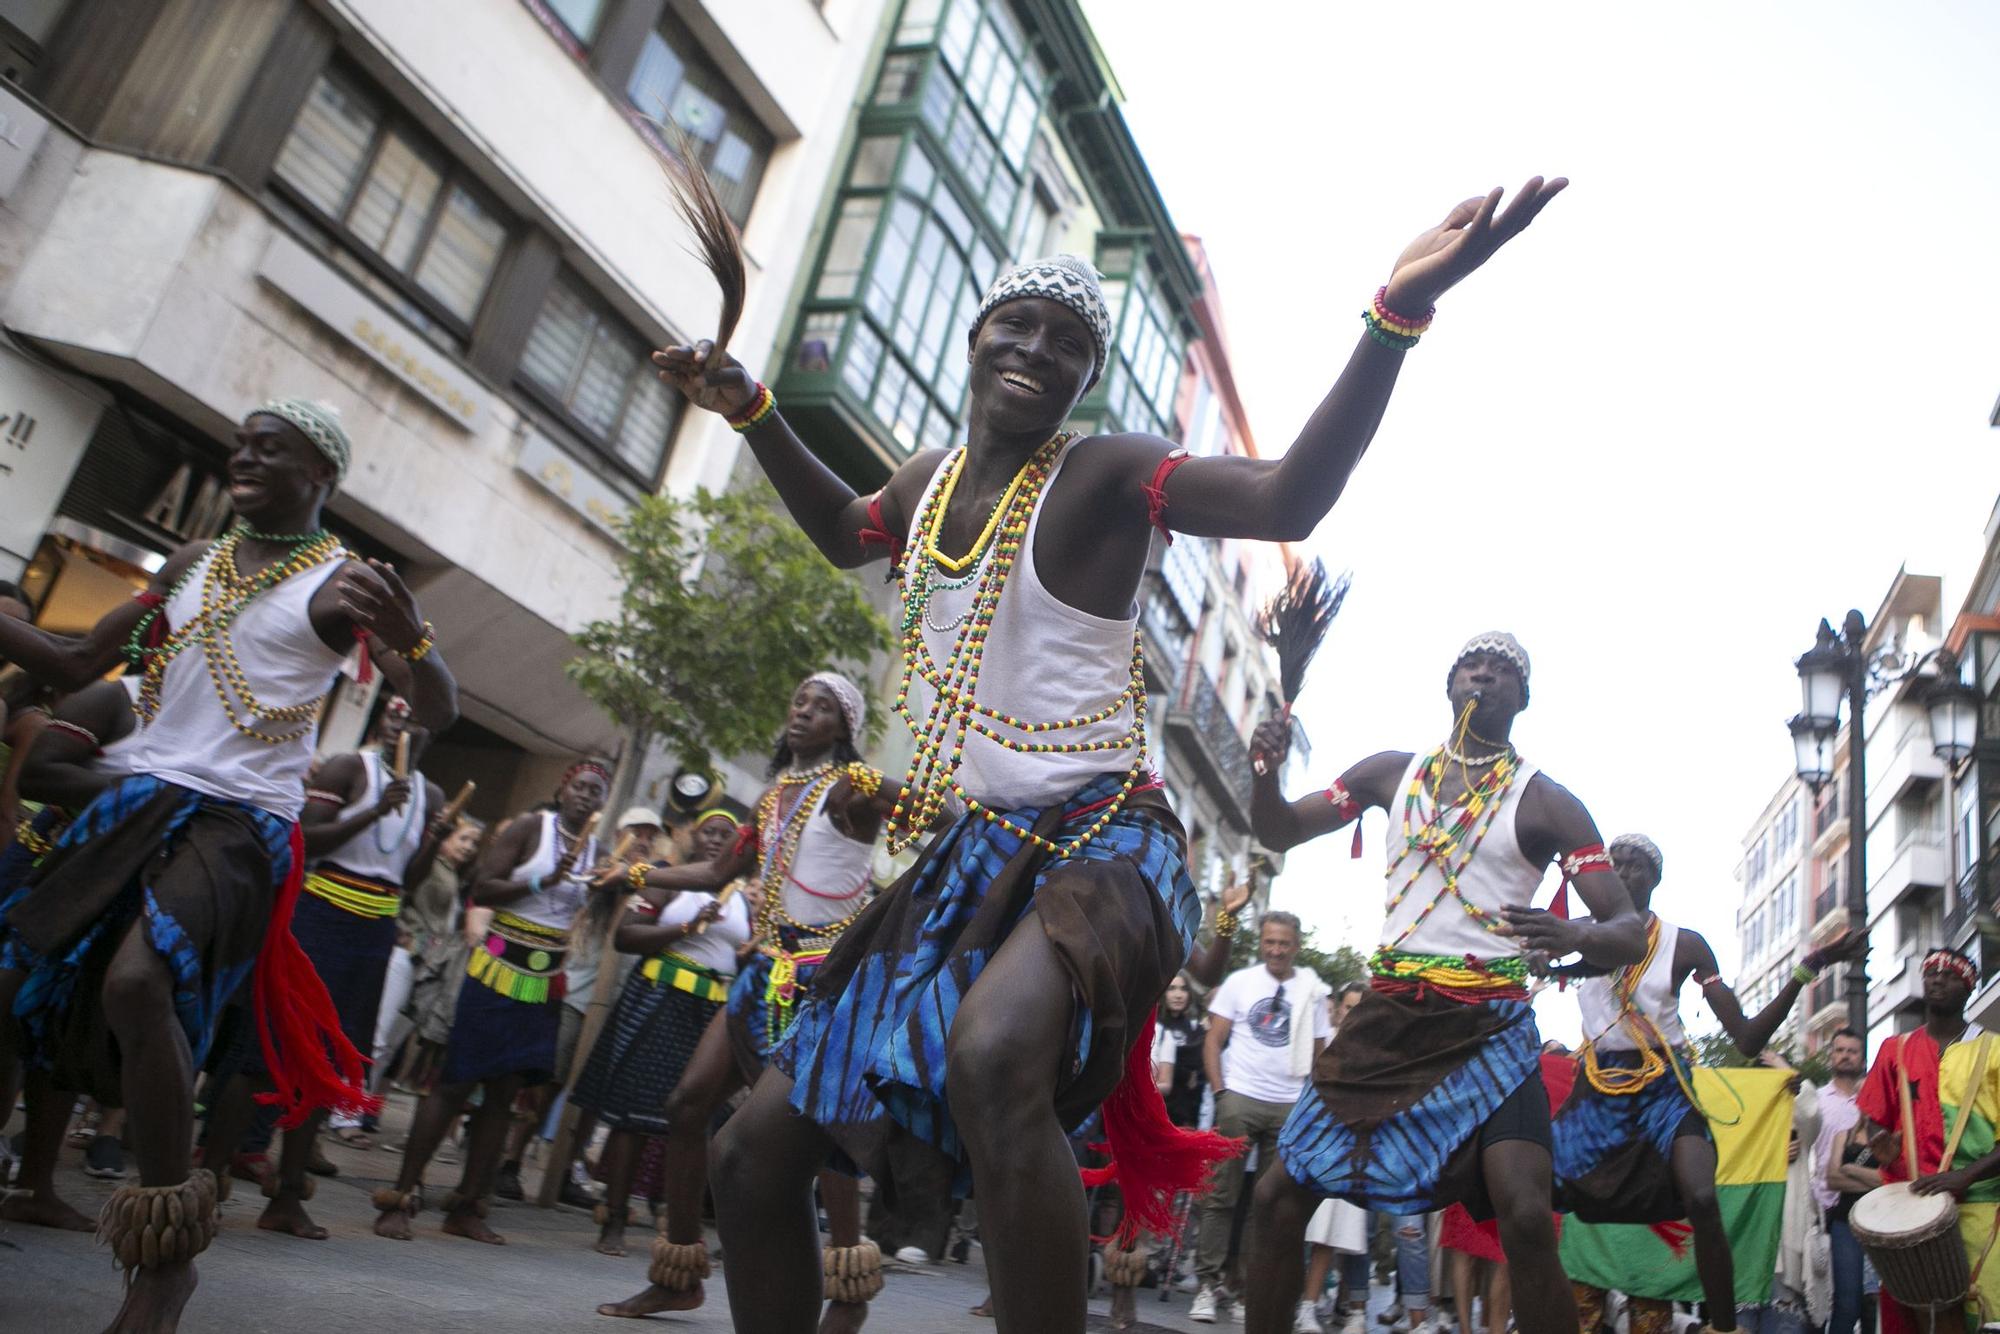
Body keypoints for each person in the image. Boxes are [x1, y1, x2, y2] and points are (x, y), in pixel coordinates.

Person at [655, 171, 1570, 1332]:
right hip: (967, 859)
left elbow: (1290, 494)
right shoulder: (925, 487)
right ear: (977, 337)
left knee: (993, 1059)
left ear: (1086, 377)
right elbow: (846, 532)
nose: (1037, 348)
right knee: (747, 1150)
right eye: (1017, 324)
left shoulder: (1101, 473)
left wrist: (1394, 313)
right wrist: (750, 405)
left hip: (1106, 844)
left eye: (1069, 341)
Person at [0, 399, 456, 1332]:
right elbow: (73, 654)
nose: (244, 458)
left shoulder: (341, 586)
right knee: (18, 974)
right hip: (141, 799)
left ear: (321, 476)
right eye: (241, 445)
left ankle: (166, 1257)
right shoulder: (190, 563)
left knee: (137, 984)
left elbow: (436, 708)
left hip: (243, 824)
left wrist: (412, 639)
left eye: (270, 450)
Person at [1239, 632, 1647, 1334]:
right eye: (1470, 663)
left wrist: (1575, 934)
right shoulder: (1389, 774)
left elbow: (1629, 931)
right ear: (1450, 683)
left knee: (1523, 1212)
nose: (1483, 672)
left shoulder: (1548, 803)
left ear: (1523, 699)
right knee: (1279, 1195)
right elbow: (1277, 831)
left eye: (1504, 670)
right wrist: (1262, 772)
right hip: (1392, 1016)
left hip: (1493, 1027)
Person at [595, 672, 885, 1332]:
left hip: (821, 979)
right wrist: (636, 873)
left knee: (822, 1128)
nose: (802, 711)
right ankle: (678, 1274)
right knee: (687, 1103)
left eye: (821, 706)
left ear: (843, 727)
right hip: (764, 969)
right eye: (799, 699)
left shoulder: (850, 789)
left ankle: (851, 1286)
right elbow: (718, 873)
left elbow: (926, 817)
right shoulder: (775, 795)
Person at [1544, 833, 1862, 1334]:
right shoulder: (1583, 930)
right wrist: (1537, 954)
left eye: (1636, 865)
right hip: (1598, 1090)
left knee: (1701, 1195)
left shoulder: (1685, 944)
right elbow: (1539, 962)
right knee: (1533, 1190)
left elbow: (1749, 1038)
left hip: (1666, 1091)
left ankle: (1723, 1328)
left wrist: (1811, 966)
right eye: (1615, 864)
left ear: (1656, 879)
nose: (1624, 872)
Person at [370, 759, 610, 1244]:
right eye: (580, 787)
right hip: (495, 971)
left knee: (505, 1095)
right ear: (563, 790)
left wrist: (611, 884)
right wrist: (543, 880)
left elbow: (589, 913)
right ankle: (401, 1194)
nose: (586, 796)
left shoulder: (598, 851)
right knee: (455, 1084)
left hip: (543, 981)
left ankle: (467, 1204)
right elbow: (484, 888)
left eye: (595, 792)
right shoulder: (530, 828)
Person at [242, 691, 447, 1239]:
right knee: (274, 1044)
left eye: (418, 718)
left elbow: (411, 874)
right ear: (384, 718)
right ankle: (217, 1169)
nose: (407, 723)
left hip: (376, 930)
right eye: (399, 713)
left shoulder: (431, 791)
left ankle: (287, 1195)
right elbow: (306, 836)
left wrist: (438, 837)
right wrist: (377, 811)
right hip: (321, 914)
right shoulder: (347, 767)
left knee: (331, 1059)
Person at [572, 808, 751, 1256]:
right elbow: (626, 937)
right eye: (707, 831)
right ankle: (612, 1220)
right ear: (693, 837)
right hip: (659, 998)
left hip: (711, 1009)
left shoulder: (746, 897)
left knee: (692, 1120)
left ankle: (675, 1225)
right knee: (634, 1116)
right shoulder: (666, 879)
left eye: (725, 835)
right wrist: (685, 928)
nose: (715, 840)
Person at [0, 676, 144, 1226]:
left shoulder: (214, 718)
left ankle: (36, 1185)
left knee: (57, 1035)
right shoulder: (114, 696)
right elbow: (40, 772)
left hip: (112, 885)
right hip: (47, 868)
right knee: (9, 1016)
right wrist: (148, 798)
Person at [1190, 912, 1332, 1322]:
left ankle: (1248, 1289)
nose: (1276, 950)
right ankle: (1206, 1283)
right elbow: (1213, 1041)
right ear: (1261, 943)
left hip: (1290, 1105)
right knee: (1220, 1194)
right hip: (1241, 1096)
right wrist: (1222, 1093)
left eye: (1283, 943)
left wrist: (1309, 1105)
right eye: (1269, 942)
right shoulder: (1240, 982)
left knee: (1269, 1204)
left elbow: (1322, 1057)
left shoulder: (1313, 991)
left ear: (1296, 946)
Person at [1857, 948, 1991, 1334]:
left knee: (1981, 1313)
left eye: (1950, 975)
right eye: (1931, 972)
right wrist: (1881, 1145)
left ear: (1968, 988)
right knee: (1910, 1319)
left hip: (1980, 1206)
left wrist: (1964, 1177)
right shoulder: (1893, 1051)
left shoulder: (1993, 1050)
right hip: (1909, 1211)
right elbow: (1875, 1124)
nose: (1937, 979)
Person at [371, 817, 484, 1094]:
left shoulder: (454, 876)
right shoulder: (430, 865)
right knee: (379, 1036)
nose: (469, 847)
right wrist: (399, 927)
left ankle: (356, 1109)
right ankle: (343, 1112)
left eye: (475, 843)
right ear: (445, 839)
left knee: (392, 1043)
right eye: (463, 838)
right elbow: (403, 891)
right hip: (408, 954)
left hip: (428, 963)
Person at [1815, 1029, 1881, 1334]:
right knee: (1837, 1300)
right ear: (1831, 1055)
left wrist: (1850, 1173)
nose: (1844, 1055)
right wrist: (1874, 1180)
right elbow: (1830, 1174)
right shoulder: (1815, 1101)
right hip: (1824, 1212)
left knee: (1874, 1302)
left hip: (1879, 1219)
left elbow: (1892, 1179)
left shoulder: (1887, 1130)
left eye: (1851, 1051)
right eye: (1839, 1050)